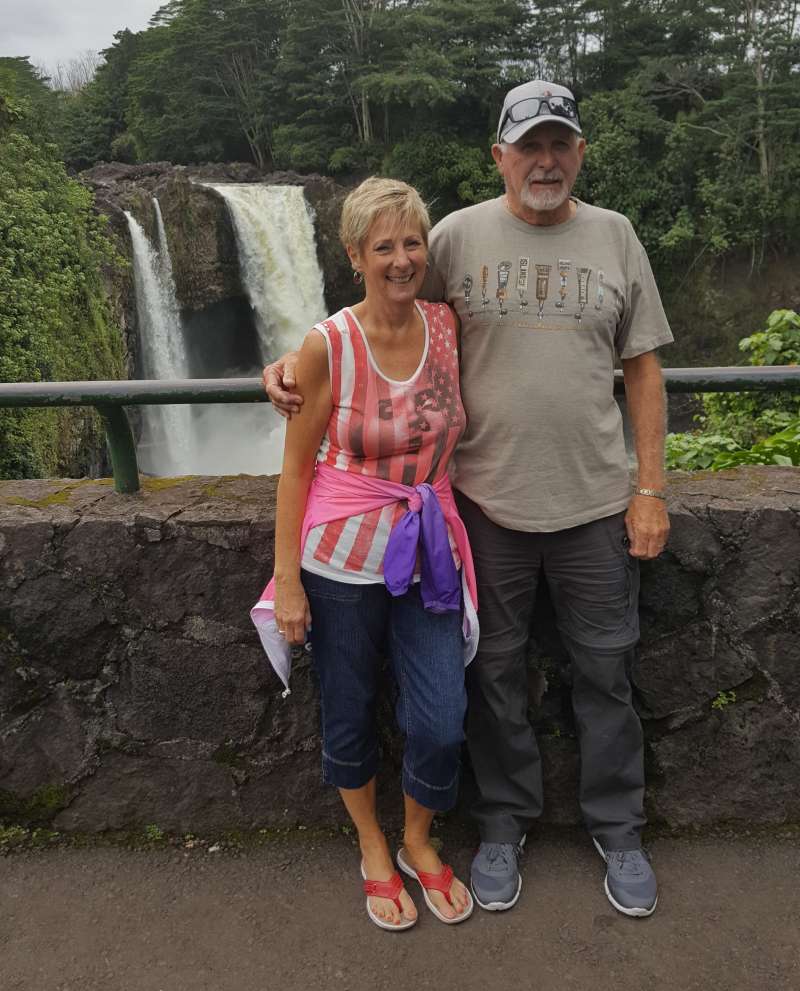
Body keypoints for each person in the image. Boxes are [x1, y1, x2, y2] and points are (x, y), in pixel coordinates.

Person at [264, 80, 673, 919]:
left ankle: (619, 830)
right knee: (491, 677)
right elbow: (378, 312)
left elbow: (644, 369)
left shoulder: (617, 237)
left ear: (580, 153)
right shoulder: (457, 236)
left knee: (606, 670)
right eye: (530, 146)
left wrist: (650, 488)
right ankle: (501, 826)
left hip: (596, 501)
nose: (546, 160)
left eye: (560, 144)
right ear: (501, 157)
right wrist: (285, 366)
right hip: (483, 507)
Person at [251, 177, 477, 930]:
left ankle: (418, 837)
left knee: (442, 715)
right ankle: (373, 843)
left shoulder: (446, 325)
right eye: (384, 246)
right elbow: (296, 467)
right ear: (355, 255)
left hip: (429, 553)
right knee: (347, 709)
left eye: (412, 242)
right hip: (340, 562)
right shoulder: (328, 344)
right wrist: (288, 583)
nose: (402, 258)